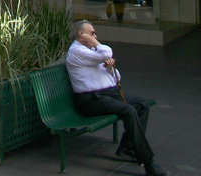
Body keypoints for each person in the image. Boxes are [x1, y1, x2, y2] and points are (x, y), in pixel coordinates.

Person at [66, 20, 168, 176]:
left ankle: (128, 147)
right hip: (90, 100)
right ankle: (148, 162)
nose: (95, 36)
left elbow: (116, 77)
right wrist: (94, 42)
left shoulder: (92, 52)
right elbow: (107, 53)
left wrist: (109, 68)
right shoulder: (77, 51)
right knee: (128, 110)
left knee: (141, 104)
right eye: (92, 33)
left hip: (108, 95)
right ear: (81, 34)